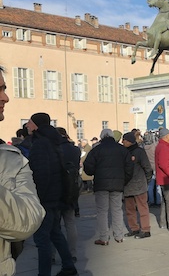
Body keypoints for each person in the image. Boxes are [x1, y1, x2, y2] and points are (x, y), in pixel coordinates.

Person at [0, 67, 45, 276]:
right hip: (51, 196)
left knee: (49, 237)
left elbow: (29, 218)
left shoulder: (12, 154)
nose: (6, 98)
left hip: (42, 197)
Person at [27, 112, 78, 276]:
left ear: (36, 125)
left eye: (29, 122)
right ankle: (69, 266)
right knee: (55, 233)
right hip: (55, 196)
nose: (27, 125)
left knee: (42, 239)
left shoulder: (40, 143)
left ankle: (44, 273)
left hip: (46, 198)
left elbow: (42, 173)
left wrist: (37, 199)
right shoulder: (52, 140)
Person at [83, 129, 133, 246]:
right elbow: (130, 167)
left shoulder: (96, 149)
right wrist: (123, 180)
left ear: (101, 137)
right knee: (117, 210)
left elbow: (88, 168)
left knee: (102, 211)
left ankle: (104, 237)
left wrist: (94, 172)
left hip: (101, 185)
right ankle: (119, 236)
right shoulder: (122, 149)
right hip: (118, 184)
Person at [52, 127, 81, 263]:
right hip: (71, 189)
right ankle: (73, 252)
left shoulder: (53, 148)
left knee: (54, 225)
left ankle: (51, 254)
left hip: (56, 189)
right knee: (70, 223)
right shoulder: (75, 149)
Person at [122, 132, 153, 239]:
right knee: (129, 209)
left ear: (129, 141)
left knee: (142, 208)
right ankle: (134, 228)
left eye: (124, 140)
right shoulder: (123, 152)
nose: (123, 142)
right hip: (127, 185)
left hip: (139, 184)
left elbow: (147, 167)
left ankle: (145, 229)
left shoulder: (139, 152)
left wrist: (147, 180)